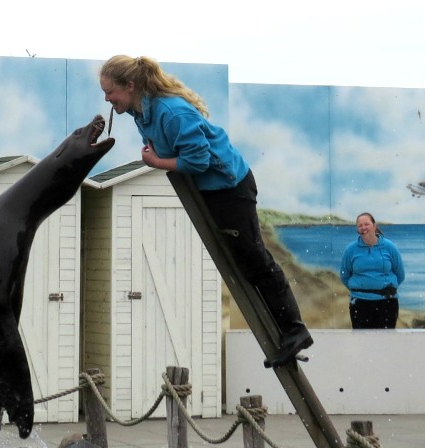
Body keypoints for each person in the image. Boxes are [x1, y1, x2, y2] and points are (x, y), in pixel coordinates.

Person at [99, 55, 312, 368]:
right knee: (240, 262)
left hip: (230, 186)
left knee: (255, 260)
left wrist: (157, 163)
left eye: (110, 92)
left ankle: (294, 331)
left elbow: (199, 161)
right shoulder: (139, 112)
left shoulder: (172, 112)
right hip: (210, 191)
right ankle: (279, 332)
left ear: (130, 86)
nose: (106, 99)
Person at [340, 212, 405, 329]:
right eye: (360, 225)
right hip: (359, 303)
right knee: (362, 343)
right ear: (357, 229)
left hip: (387, 303)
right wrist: (360, 289)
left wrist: (385, 289)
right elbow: (345, 275)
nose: (363, 228)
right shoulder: (350, 250)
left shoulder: (389, 247)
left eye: (367, 224)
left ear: (374, 226)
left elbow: (400, 274)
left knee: (385, 341)